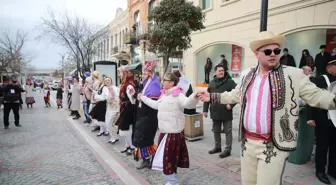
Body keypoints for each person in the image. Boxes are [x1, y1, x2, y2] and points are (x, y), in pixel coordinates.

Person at [197, 31, 336, 185]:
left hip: (274, 145)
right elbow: (236, 94)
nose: (273, 55)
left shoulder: (294, 75)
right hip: (247, 143)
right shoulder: (247, 75)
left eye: (277, 51)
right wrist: (213, 97)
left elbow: (317, 96)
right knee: (248, 182)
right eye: (268, 51)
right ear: (257, 54)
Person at [139, 72, 199, 185]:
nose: (162, 82)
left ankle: (172, 182)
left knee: (168, 159)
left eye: (164, 80)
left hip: (173, 134)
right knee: (167, 159)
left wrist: (194, 96)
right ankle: (172, 181)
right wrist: (143, 98)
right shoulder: (164, 95)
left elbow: (188, 104)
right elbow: (156, 105)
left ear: (171, 83)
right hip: (164, 132)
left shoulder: (178, 95)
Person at [306, 56, 336, 184]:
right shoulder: (319, 80)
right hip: (323, 118)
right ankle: (320, 171)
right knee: (322, 146)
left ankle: (333, 170)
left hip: (335, 120)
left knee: (335, 147)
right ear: (330, 67)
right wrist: (310, 117)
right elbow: (311, 99)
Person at [203, 64, 237, 158]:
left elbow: (237, 94)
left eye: (222, 70)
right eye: (219, 70)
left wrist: (232, 104)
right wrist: (205, 110)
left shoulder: (230, 82)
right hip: (215, 110)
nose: (221, 72)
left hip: (226, 110)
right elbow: (207, 96)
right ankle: (217, 147)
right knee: (216, 130)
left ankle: (228, 149)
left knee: (227, 131)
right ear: (215, 72)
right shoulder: (211, 83)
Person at [133, 61, 161, 169]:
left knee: (145, 139)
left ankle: (151, 157)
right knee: (143, 139)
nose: (142, 76)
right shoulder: (145, 84)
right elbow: (140, 98)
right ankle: (148, 159)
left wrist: (142, 98)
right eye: (143, 74)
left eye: (144, 74)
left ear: (149, 74)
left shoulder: (154, 86)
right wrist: (134, 94)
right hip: (143, 116)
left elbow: (153, 104)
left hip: (149, 118)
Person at [115, 70, 137, 155]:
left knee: (127, 127)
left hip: (127, 108)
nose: (120, 75)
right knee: (126, 127)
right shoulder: (126, 84)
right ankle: (127, 145)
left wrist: (130, 105)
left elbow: (132, 99)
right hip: (126, 107)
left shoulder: (129, 85)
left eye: (121, 74)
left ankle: (131, 146)